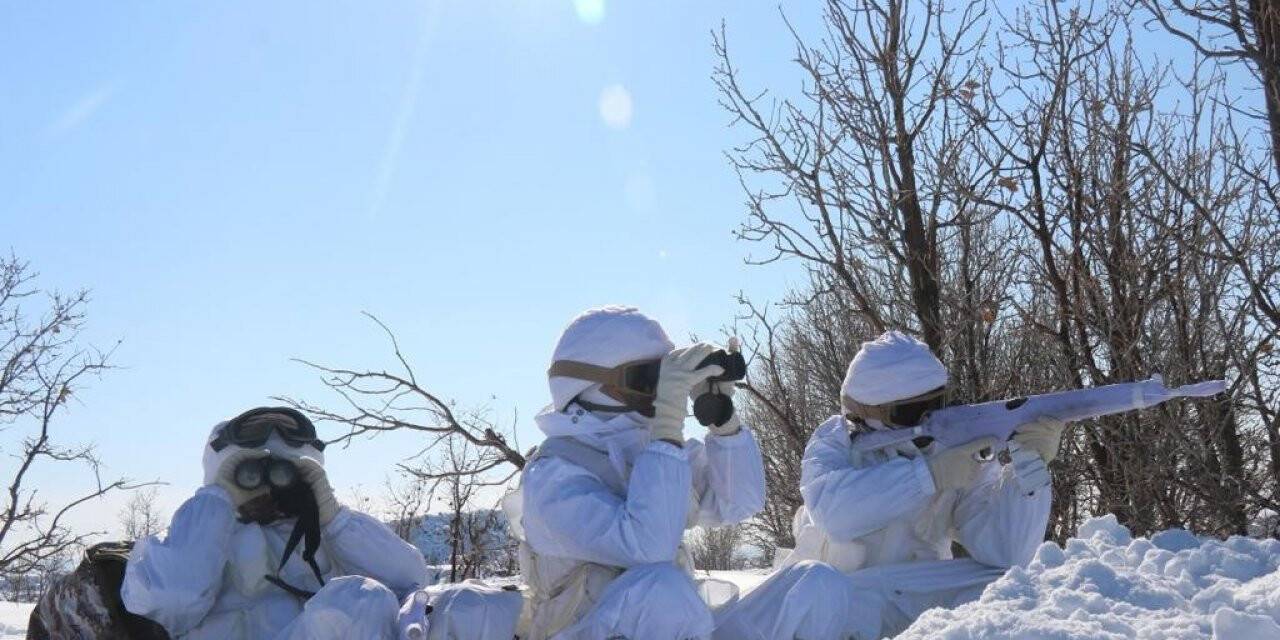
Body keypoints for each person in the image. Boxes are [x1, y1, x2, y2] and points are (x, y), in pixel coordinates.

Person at [512, 305, 768, 640]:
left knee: (813, 583)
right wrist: (667, 422)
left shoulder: (652, 447)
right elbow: (650, 548)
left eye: (665, 379)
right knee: (663, 590)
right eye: (647, 380)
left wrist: (723, 421)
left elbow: (740, 502)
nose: (659, 393)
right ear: (587, 384)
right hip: (580, 630)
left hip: (674, 624)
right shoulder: (552, 475)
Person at [783, 331, 1062, 637]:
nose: (929, 419)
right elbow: (833, 514)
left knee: (1005, 586)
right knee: (822, 592)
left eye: (937, 404)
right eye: (913, 411)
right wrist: (927, 476)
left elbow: (1007, 553)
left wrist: (1029, 465)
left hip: (912, 598)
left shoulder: (955, 447)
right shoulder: (833, 441)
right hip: (837, 603)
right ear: (870, 412)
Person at [121, 406, 431, 639]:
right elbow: (172, 599)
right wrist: (216, 500)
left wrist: (334, 518)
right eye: (249, 476)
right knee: (358, 599)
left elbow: (411, 582)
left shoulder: (324, 538)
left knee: (368, 599)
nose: (266, 487)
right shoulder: (193, 540)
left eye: (283, 475)